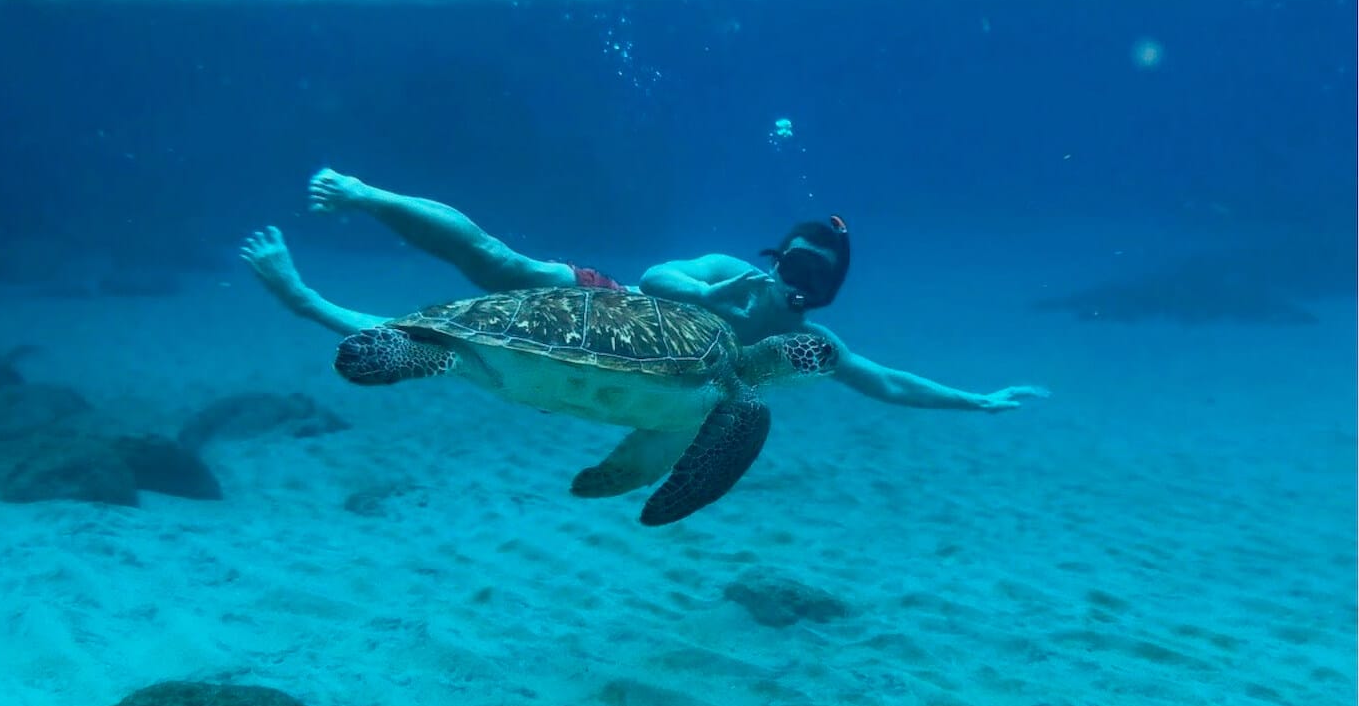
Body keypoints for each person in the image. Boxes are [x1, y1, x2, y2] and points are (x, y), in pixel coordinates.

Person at [241, 168, 1049, 413]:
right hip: (612, 304)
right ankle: (368, 197)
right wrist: (727, 287)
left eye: (814, 277)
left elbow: (885, 380)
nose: (794, 280)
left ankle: (302, 296)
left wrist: (976, 400)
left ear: (828, 289)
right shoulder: (734, 269)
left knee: (446, 350)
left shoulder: (807, 342)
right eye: (791, 261)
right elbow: (661, 278)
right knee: (494, 263)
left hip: (629, 376)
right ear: (778, 254)